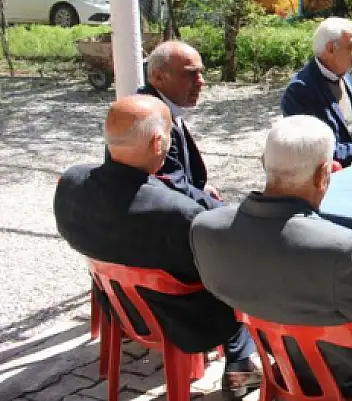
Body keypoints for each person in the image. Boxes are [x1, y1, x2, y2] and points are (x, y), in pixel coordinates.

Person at [191, 116, 352, 396]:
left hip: (277, 350)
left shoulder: (206, 229)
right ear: (323, 175)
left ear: (264, 163)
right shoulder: (342, 249)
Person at [54, 95, 260, 399]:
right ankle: (241, 367)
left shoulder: (71, 181)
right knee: (242, 281)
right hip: (178, 319)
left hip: (118, 304)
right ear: (156, 142)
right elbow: (215, 270)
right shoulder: (177, 213)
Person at [281, 17, 352, 167]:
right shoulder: (300, 90)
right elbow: (308, 146)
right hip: (336, 170)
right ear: (331, 49)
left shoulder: (345, 76)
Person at [139, 40, 221, 210]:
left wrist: (200, 189)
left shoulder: (167, 105)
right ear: (158, 77)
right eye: (190, 74)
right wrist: (221, 211)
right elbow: (171, 185)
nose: (201, 82)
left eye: (200, 73)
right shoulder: (149, 118)